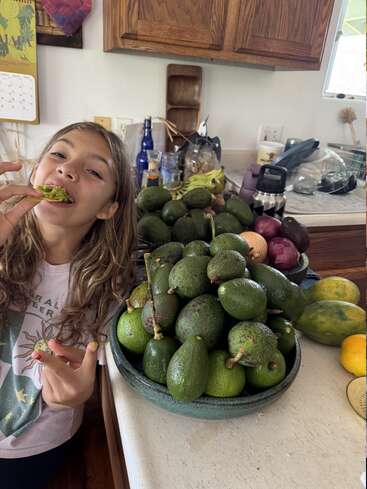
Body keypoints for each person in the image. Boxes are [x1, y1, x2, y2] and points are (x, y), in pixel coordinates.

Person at [0, 122, 137, 489]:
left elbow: (98, 367)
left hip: (33, 448)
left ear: (109, 208)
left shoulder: (114, 288)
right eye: (58, 154)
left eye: (93, 171)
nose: (66, 169)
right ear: (35, 171)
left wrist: (77, 393)